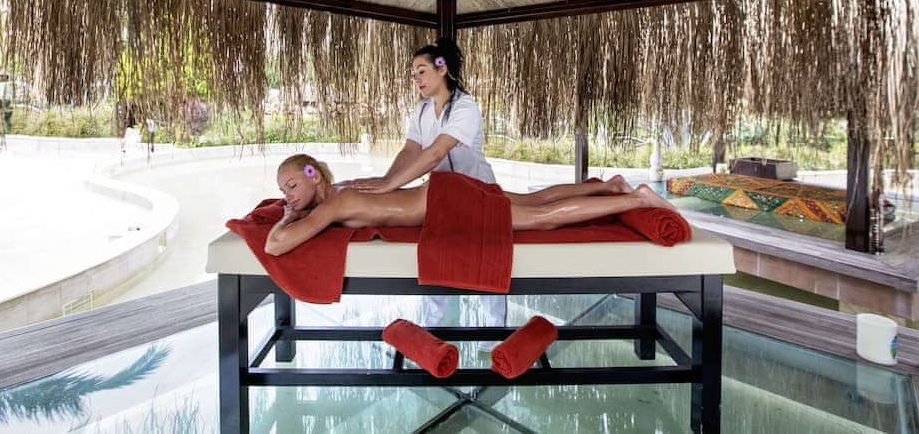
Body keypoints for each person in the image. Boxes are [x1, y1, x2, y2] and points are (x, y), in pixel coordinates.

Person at [337, 38, 501, 337]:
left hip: (477, 193)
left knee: (485, 257)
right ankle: (432, 332)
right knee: (434, 253)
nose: (416, 79)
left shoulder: (465, 107)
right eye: (413, 73)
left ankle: (494, 335)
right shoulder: (422, 110)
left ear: (442, 68)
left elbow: (436, 152)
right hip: (440, 196)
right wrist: (386, 182)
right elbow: (411, 149)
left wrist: (391, 184)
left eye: (422, 71)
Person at [265, 154, 677, 259]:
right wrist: (294, 205)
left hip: (448, 204)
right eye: (283, 191)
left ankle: (637, 197)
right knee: (532, 201)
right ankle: (609, 187)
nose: (288, 196)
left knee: (541, 219)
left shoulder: (333, 205)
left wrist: (287, 215)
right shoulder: (341, 190)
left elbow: (276, 245)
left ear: (313, 175)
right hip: (445, 191)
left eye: (292, 185)